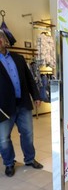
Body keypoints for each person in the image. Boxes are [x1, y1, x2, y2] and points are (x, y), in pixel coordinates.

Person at [0, 29, 43, 177]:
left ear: (3, 41)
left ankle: (30, 159)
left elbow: (30, 79)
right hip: (3, 107)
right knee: (4, 138)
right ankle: (9, 163)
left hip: (23, 103)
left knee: (27, 134)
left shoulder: (18, 58)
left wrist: (36, 95)